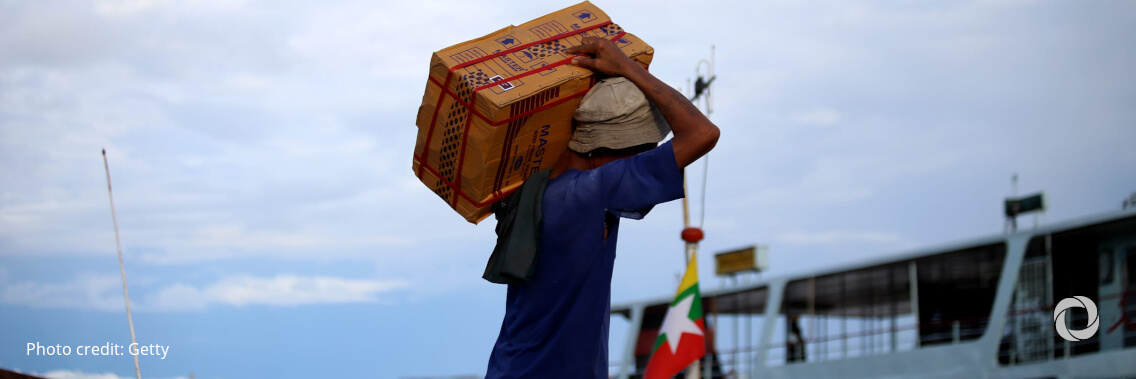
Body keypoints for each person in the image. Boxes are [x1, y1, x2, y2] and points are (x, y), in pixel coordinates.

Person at [485, 36, 720, 379]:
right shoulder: (590, 193)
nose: (640, 159)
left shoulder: (533, 192)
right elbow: (702, 133)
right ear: (602, 148)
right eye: (638, 150)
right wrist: (627, 67)